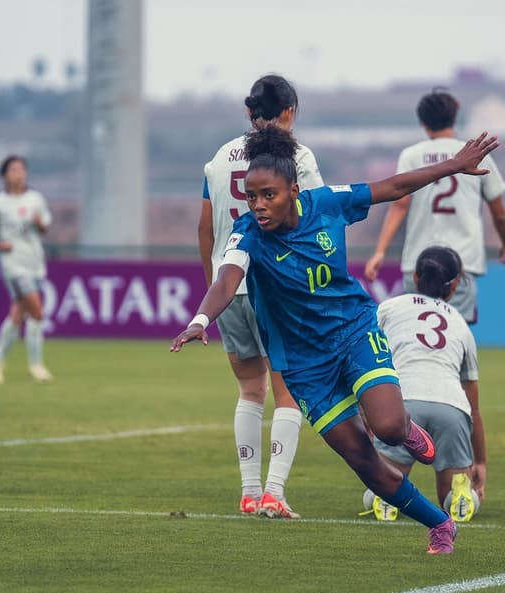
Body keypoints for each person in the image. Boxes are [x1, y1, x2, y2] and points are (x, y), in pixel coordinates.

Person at [172, 124, 500, 554]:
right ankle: (439, 524)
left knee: (387, 427)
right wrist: (200, 319)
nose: (258, 206)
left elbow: (393, 186)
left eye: (268, 195)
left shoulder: (326, 204)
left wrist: (455, 165)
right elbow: (226, 280)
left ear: (293, 189)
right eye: (251, 197)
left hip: (353, 333)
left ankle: (404, 428)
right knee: (364, 461)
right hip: (305, 368)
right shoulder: (247, 234)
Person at [199, 75, 323, 519]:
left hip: (229, 286)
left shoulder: (218, 158)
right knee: (287, 392)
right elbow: (311, 219)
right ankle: (273, 491)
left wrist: (215, 284)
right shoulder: (296, 157)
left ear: (249, 112)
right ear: (289, 110)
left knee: (249, 391)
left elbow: (204, 226)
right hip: (278, 286)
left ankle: (250, 493)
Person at [364, 87, 505, 324]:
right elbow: (499, 213)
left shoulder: (411, 155)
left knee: (418, 331)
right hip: (461, 263)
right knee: (455, 334)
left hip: (419, 263)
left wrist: (380, 250)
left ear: (422, 122)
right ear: (455, 117)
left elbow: (399, 205)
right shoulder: (475, 154)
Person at [364, 246, 487, 525]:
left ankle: (384, 497)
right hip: (453, 409)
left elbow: (364, 357)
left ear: (415, 277)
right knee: (449, 495)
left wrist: (367, 414)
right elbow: (474, 406)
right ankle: (461, 495)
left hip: (402, 404)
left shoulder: (389, 308)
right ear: (454, 285)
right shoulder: (461, 325)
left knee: (384, 482)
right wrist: (480, 462)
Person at [0, 155, 53, 384]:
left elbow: (44, 229)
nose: (18, 174)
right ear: (4, 175)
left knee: (17, 314)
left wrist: (39, 223)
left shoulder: (36, 199)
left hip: (34, 262)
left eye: (22, 170)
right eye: (13, 170)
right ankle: (36, 365)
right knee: (37, 312)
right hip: (13, 264)